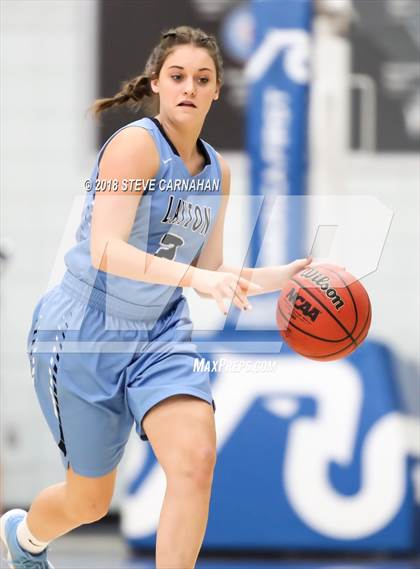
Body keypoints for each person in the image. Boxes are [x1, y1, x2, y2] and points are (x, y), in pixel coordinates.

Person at [0, 26, 310, 569]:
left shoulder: (218, 171)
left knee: (194, 462)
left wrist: (273, 278)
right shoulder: (134, 147)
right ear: (156, 85)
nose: (190, 86)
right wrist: (197, 282)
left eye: (203, 78)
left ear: (217, 91)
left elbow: (210, 270)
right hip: (83, 331)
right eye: (178, 76)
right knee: (89, 502)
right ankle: (24, 538)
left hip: (160, 332)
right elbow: (105, 251)